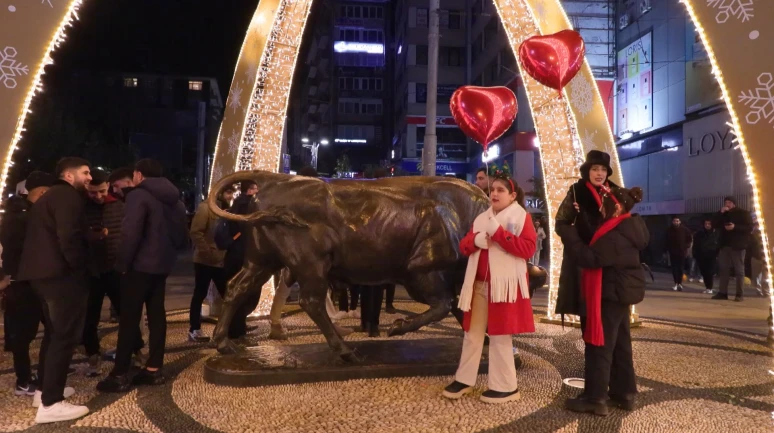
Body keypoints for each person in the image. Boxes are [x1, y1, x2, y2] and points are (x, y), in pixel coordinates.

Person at [443, 166, 536, 404]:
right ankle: (464, 379)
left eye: (501, 190)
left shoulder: (521, 217)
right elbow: (464, 246)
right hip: (479, 287)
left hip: (504, 289)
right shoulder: (481, 218)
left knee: (500, 337)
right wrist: (474, 240)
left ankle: (506, 386)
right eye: (493, 189)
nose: (494, 194)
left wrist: (499, 234)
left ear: (512, 195)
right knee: (472, 335)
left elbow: (527, 249)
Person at [97, 159, 187, 393]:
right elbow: (182, 236)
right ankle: (154, 369)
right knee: (157, 315)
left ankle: (119, 374)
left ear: (138, 174)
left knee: (129, 319)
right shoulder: (174, 199)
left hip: (139, 267)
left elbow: (130, 234)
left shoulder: (139, 196)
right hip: (162, 265)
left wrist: (122, 265)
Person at [558, 186, 648, 416]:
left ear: (616, 207)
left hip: (610, 294)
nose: (600, 207)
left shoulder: (618, 232)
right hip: (618, 292)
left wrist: (570, 235)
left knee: (600, 346)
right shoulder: (627, 226)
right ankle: (624, 393)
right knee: (620, 345)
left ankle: (595, 397)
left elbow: (591, 258)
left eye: (604, 204)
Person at [17, 158, 92, 423]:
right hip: (60, 277)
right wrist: (79, 269)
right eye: (85, 172)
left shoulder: (49, 197)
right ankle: (51, 404)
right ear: (69, 176)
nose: (90, 177)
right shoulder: (67, 197)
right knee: (64, 337)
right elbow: (68, 236)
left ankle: (44, 390)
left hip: (40, 275)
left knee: (53, 333)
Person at [82, 169, 143, 377]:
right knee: (90, 316)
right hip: (91, 271)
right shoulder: (81, 207)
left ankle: (137, 349)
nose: (98, 196)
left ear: (107, 186)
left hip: (116, 269)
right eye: (92, 193)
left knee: (126, 312)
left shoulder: (119, 206)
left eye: (101, 191)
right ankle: (92, 353)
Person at [1, 171, 54, 399]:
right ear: (42, 192)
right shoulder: (25, 218)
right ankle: (24, 381)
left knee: (37, 329)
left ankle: (45, 372)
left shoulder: (19, 214)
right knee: (24, 333)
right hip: (22, 283)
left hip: (22, 281)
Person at [555, 150, 619, 323]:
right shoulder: (577, 192)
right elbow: (561, 223)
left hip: (609, 262)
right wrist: (579, 247)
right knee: (588, 311)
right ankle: (592, 348)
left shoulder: (616, 194)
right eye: (595, 169)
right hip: (584, 262)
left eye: (603, 170)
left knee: (609, 313)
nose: (599, 174)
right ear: (587, 171)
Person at [188, 186, 235, 342]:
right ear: (220, 193)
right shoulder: (205, 208)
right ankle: (194, 329)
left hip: (222, 259)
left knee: (228, 293)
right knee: (200, 293)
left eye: (232, 193)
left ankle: (233, 327)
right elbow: (195, 232)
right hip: (205, 261)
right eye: (229, 192)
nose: (231, 195)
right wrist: (208, 253)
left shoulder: (228, 210)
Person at [712, 197, 752, 301]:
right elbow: (714, 224)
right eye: (725, 202)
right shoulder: (723, 213)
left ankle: (739, 294)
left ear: (734, 203)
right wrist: (720, 213)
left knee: (739, 270)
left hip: (738, 245)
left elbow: (749, 228)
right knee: (724, 269)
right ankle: (722, 293)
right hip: (725, 245)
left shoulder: (743, 213)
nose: (727, 204)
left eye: (729, 202)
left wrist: (735, 227)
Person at [665, 217, 692, 292]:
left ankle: (680, 283)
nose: (676, 222)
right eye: (674, 221)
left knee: (681, 268)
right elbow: (665, 240)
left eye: (677, 221)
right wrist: (667, 250)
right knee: (674, 268)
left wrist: (686, 246)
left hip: (682, 252)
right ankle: (676, 283)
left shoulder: (685, 230)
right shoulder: (669, 230)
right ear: (672, 222)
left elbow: (689, 239)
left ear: (680, 222)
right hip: (672, 252)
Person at [693, 219, 720, 295]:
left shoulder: (716, 233)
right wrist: (695, 254)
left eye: (709, 224)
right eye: (706, 224)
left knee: (710, 272)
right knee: (704, 272)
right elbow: (695, 245)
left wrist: (717, 254)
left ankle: (710, 288)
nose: (707, 225)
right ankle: (707, 287)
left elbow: (718, 245)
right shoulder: (699, 234)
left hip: (712, 256)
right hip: (701, 256)